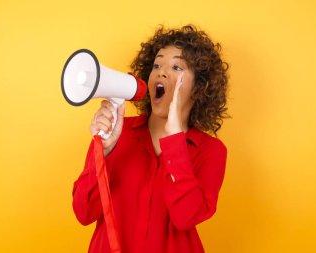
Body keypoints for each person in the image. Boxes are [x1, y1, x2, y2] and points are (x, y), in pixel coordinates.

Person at [72, 24, 230, 253]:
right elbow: (83, 212)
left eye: (176, 66)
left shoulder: (211, 151)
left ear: (198, 88)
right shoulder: (117, 132)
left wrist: (174, 141)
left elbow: (186, 217)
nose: (161, 72)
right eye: (156, 65)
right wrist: (102, 152)